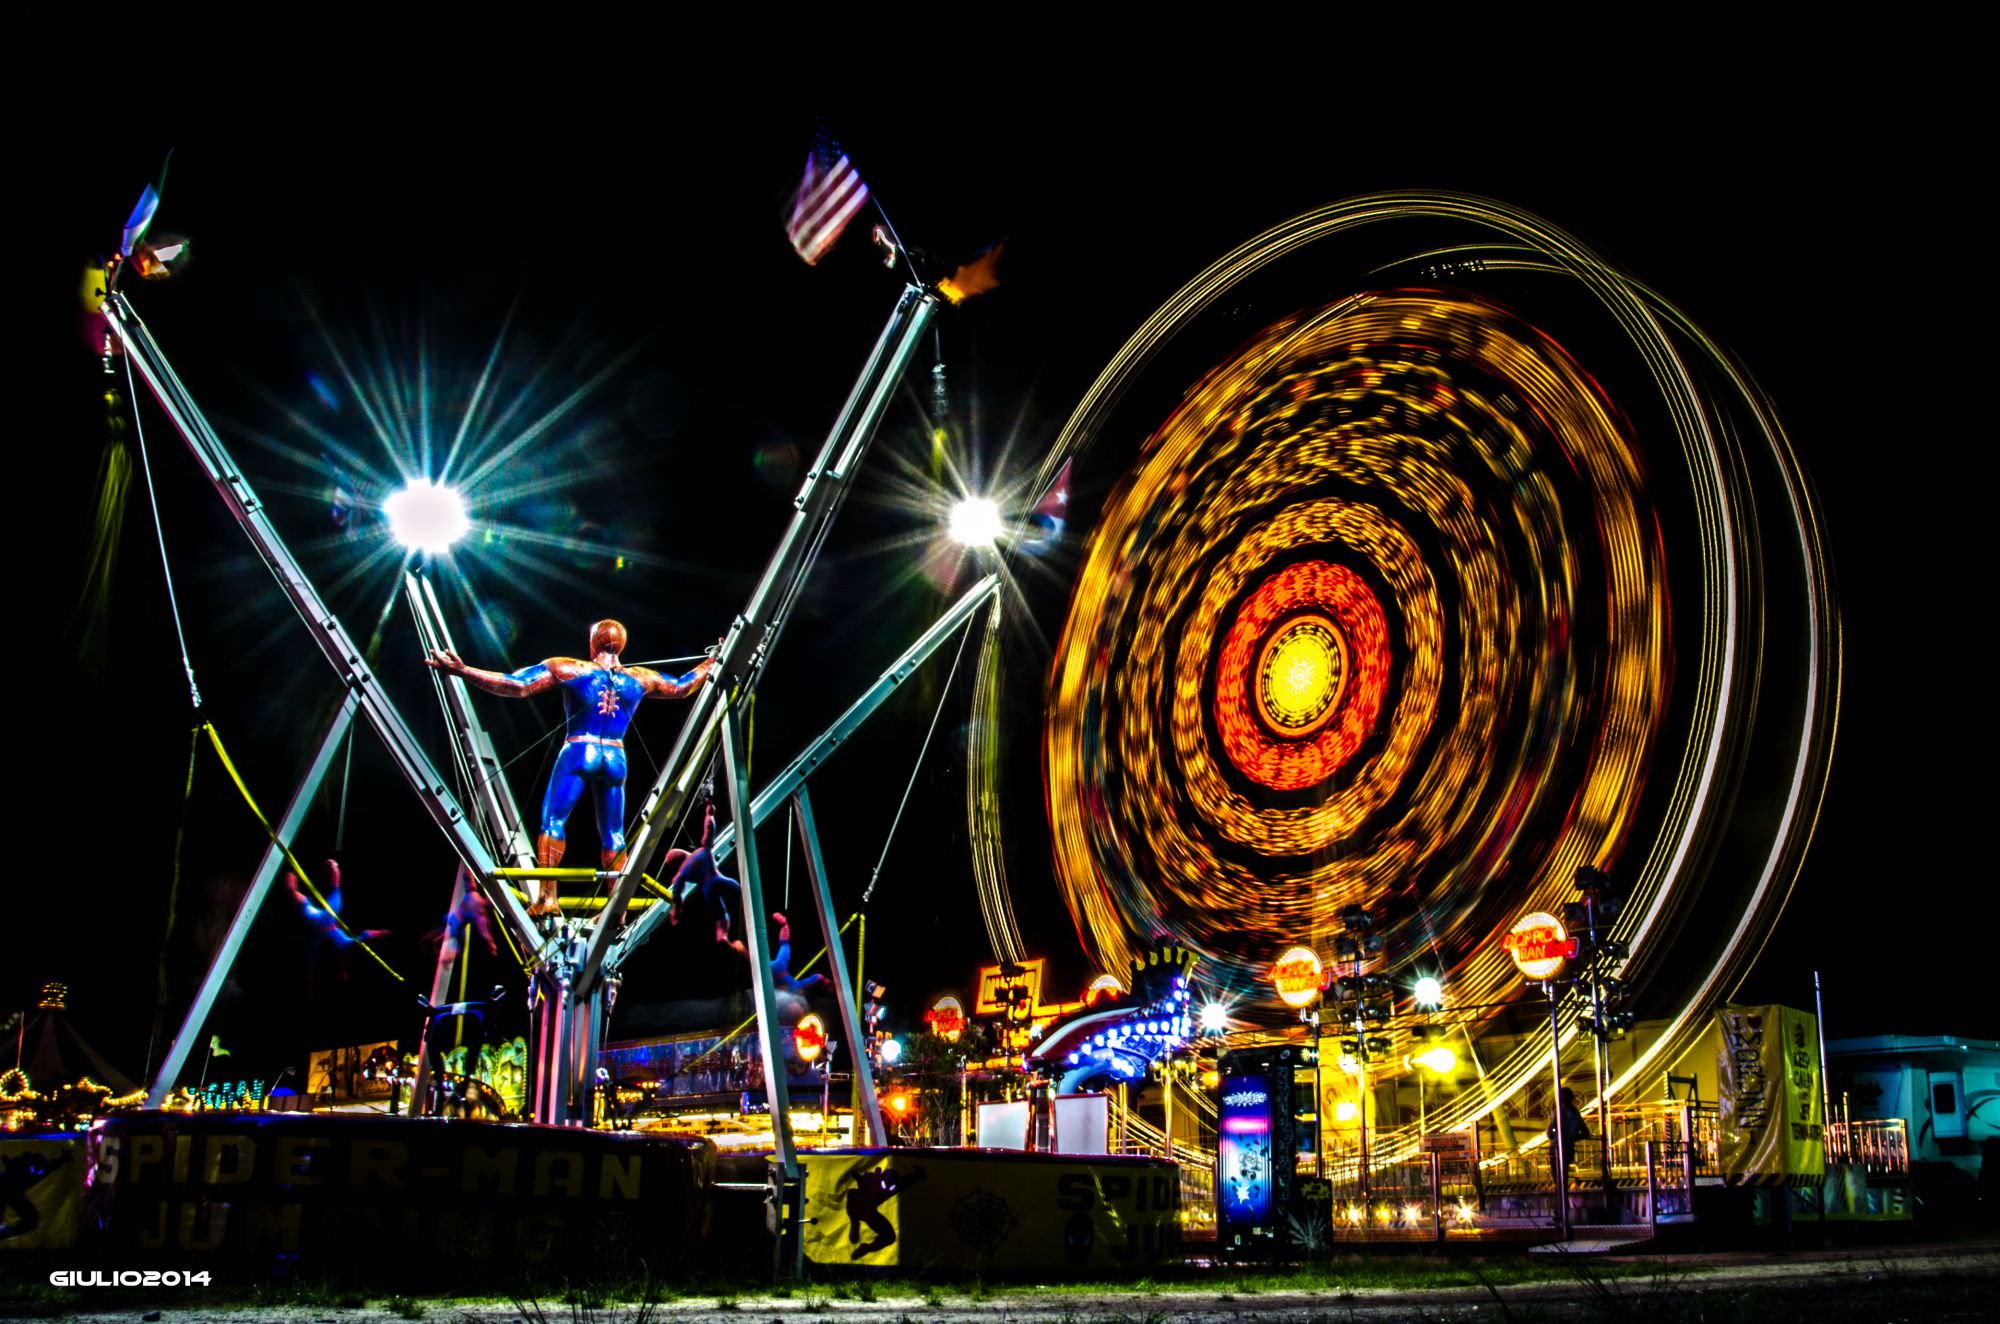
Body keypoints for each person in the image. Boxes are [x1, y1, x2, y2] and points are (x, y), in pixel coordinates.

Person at [427, 620, 717, 918]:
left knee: (553, 820)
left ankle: (547, 898)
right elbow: (683, 687)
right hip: (616, 757)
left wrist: (462, 671)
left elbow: (517, 685)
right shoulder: (639, 678)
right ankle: (616, 910)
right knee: (613, 833)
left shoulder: (570, 667)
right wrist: (712, 661)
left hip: (580, 749)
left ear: (593, 644)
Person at [1548, 1085, 1590, 1214]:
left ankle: (1559, 1209)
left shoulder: (1559, 1111)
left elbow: (1550, 1132)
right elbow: (1585, 1133)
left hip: (1557, 1147)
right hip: (1569, 1147)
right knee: (1563, 1177)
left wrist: (1556, 1135)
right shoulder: (1576, 1113)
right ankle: (1564, 1207)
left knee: (1558, 1179)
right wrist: (1572, 1138)